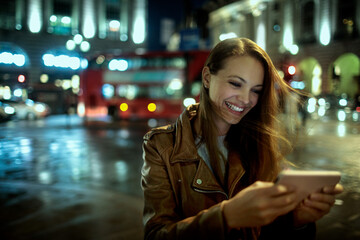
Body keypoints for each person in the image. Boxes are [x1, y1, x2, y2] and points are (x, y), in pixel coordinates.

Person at [141, 38, 343, 240]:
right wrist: (226, 216)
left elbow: (267, 230)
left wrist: (297, 221)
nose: (246, 100)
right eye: (236, 84)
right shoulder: (161, 145)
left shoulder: (259, 142)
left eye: (255, 90)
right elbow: (156, 235)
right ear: (207, 78)